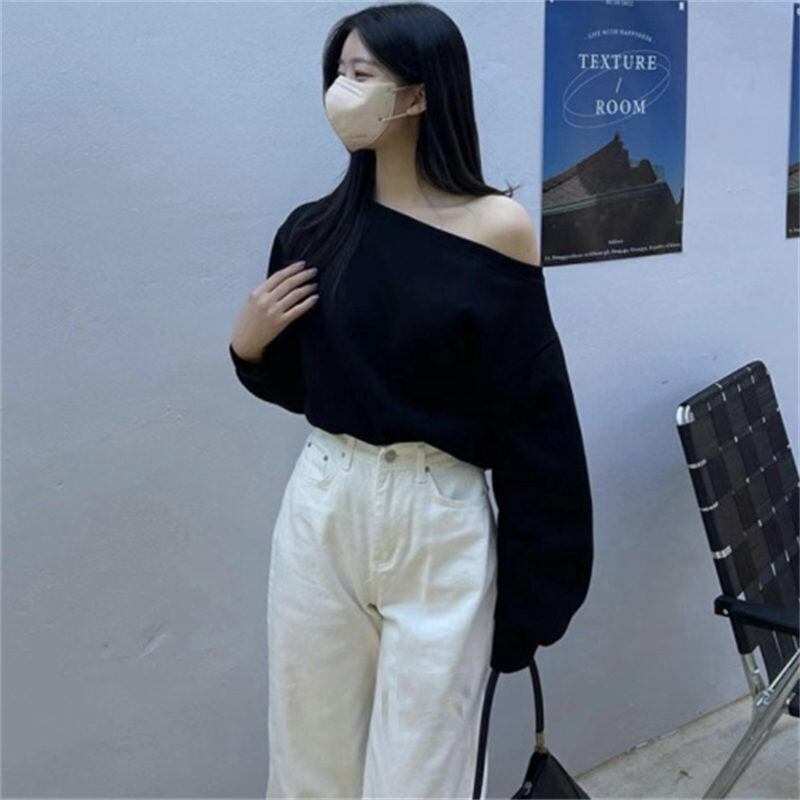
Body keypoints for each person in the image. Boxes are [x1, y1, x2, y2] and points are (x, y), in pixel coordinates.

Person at [228, 3, 593, 798]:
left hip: (438, 514)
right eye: (337, 72)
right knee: (308, 757)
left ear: (420, 94)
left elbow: (535, 419)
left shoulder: (495, 229)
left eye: (361, 73)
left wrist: (535, 598)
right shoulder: (314, 231)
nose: (340, 90)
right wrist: (248, 349)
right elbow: (311, 387)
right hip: (325, 499)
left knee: (425, 772)